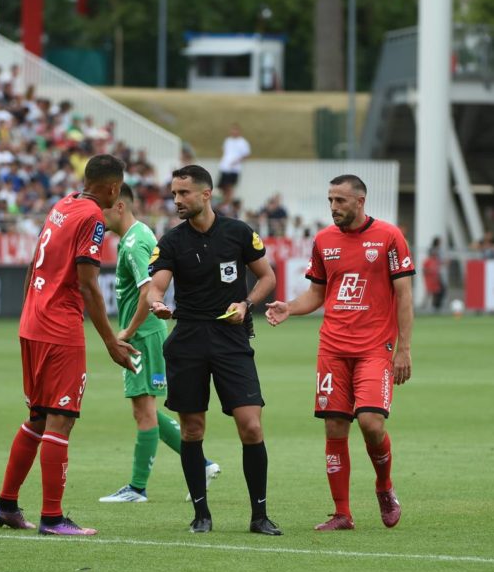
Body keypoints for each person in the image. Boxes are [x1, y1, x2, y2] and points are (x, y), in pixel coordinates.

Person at [0, 154, 138, 536]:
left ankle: (6, 505)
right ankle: (52, 518)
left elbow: (33, 263)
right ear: (114, 188)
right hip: (59, 328)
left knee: (38, 415)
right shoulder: (93, 218)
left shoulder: (63, 204)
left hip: (34, 321)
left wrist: (28, 311)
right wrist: (110, 341)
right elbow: (88, 284)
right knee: (61, 417)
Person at [265, 175, 414, 532]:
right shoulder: (323, 240)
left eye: (341, 201)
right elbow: (317, 294)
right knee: (335, 425)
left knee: (370, 423)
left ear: (360, 201)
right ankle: (342, 513)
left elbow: (404, 295)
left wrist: (404, 349)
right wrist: (290, 307)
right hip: (332, 347)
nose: (333, 207)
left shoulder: (389, 237)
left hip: (375, 348)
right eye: (331, 200)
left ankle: (383, 486)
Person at [147, 164, 280, 535]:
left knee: (251, 426)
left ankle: (259, 516)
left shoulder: (238, 232)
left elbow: (267, 277)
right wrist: (157, 302)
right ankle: (201, 515)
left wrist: (245, 304)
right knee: (192, 429)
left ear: (206, 194)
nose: (177, 200)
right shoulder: (172, 241)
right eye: (174, 193)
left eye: (183, 193)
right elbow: (157, 285)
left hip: (231, 339)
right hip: (188, 339)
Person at [98, 183, 221, 504]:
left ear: (120, 206)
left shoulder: (136, 242)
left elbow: (147, 290)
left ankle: (137, 488)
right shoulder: (134, 238)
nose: (99, 217)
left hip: (143, 334)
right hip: (147, 332)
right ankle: (202, 465)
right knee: (147, 408)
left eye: (103, 209)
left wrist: (126, 332)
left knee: (143, 410)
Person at [216, 123, 250, 205]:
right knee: (222, 186)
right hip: (225, 167)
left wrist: (236, 162)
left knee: (230, 187)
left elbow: (246, 155)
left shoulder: (243, 142)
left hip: (234, 169)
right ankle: (224, 202)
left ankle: (228, 203)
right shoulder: (228, 140)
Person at [422, 236, 446, 312]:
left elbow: (440, 264)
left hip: (435, 277)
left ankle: (434, 306)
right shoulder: (429, 261)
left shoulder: (435, 261)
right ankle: (427, 306)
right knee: (430, 292)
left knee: (436, 291)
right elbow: (425, 270)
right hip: (431, 278)